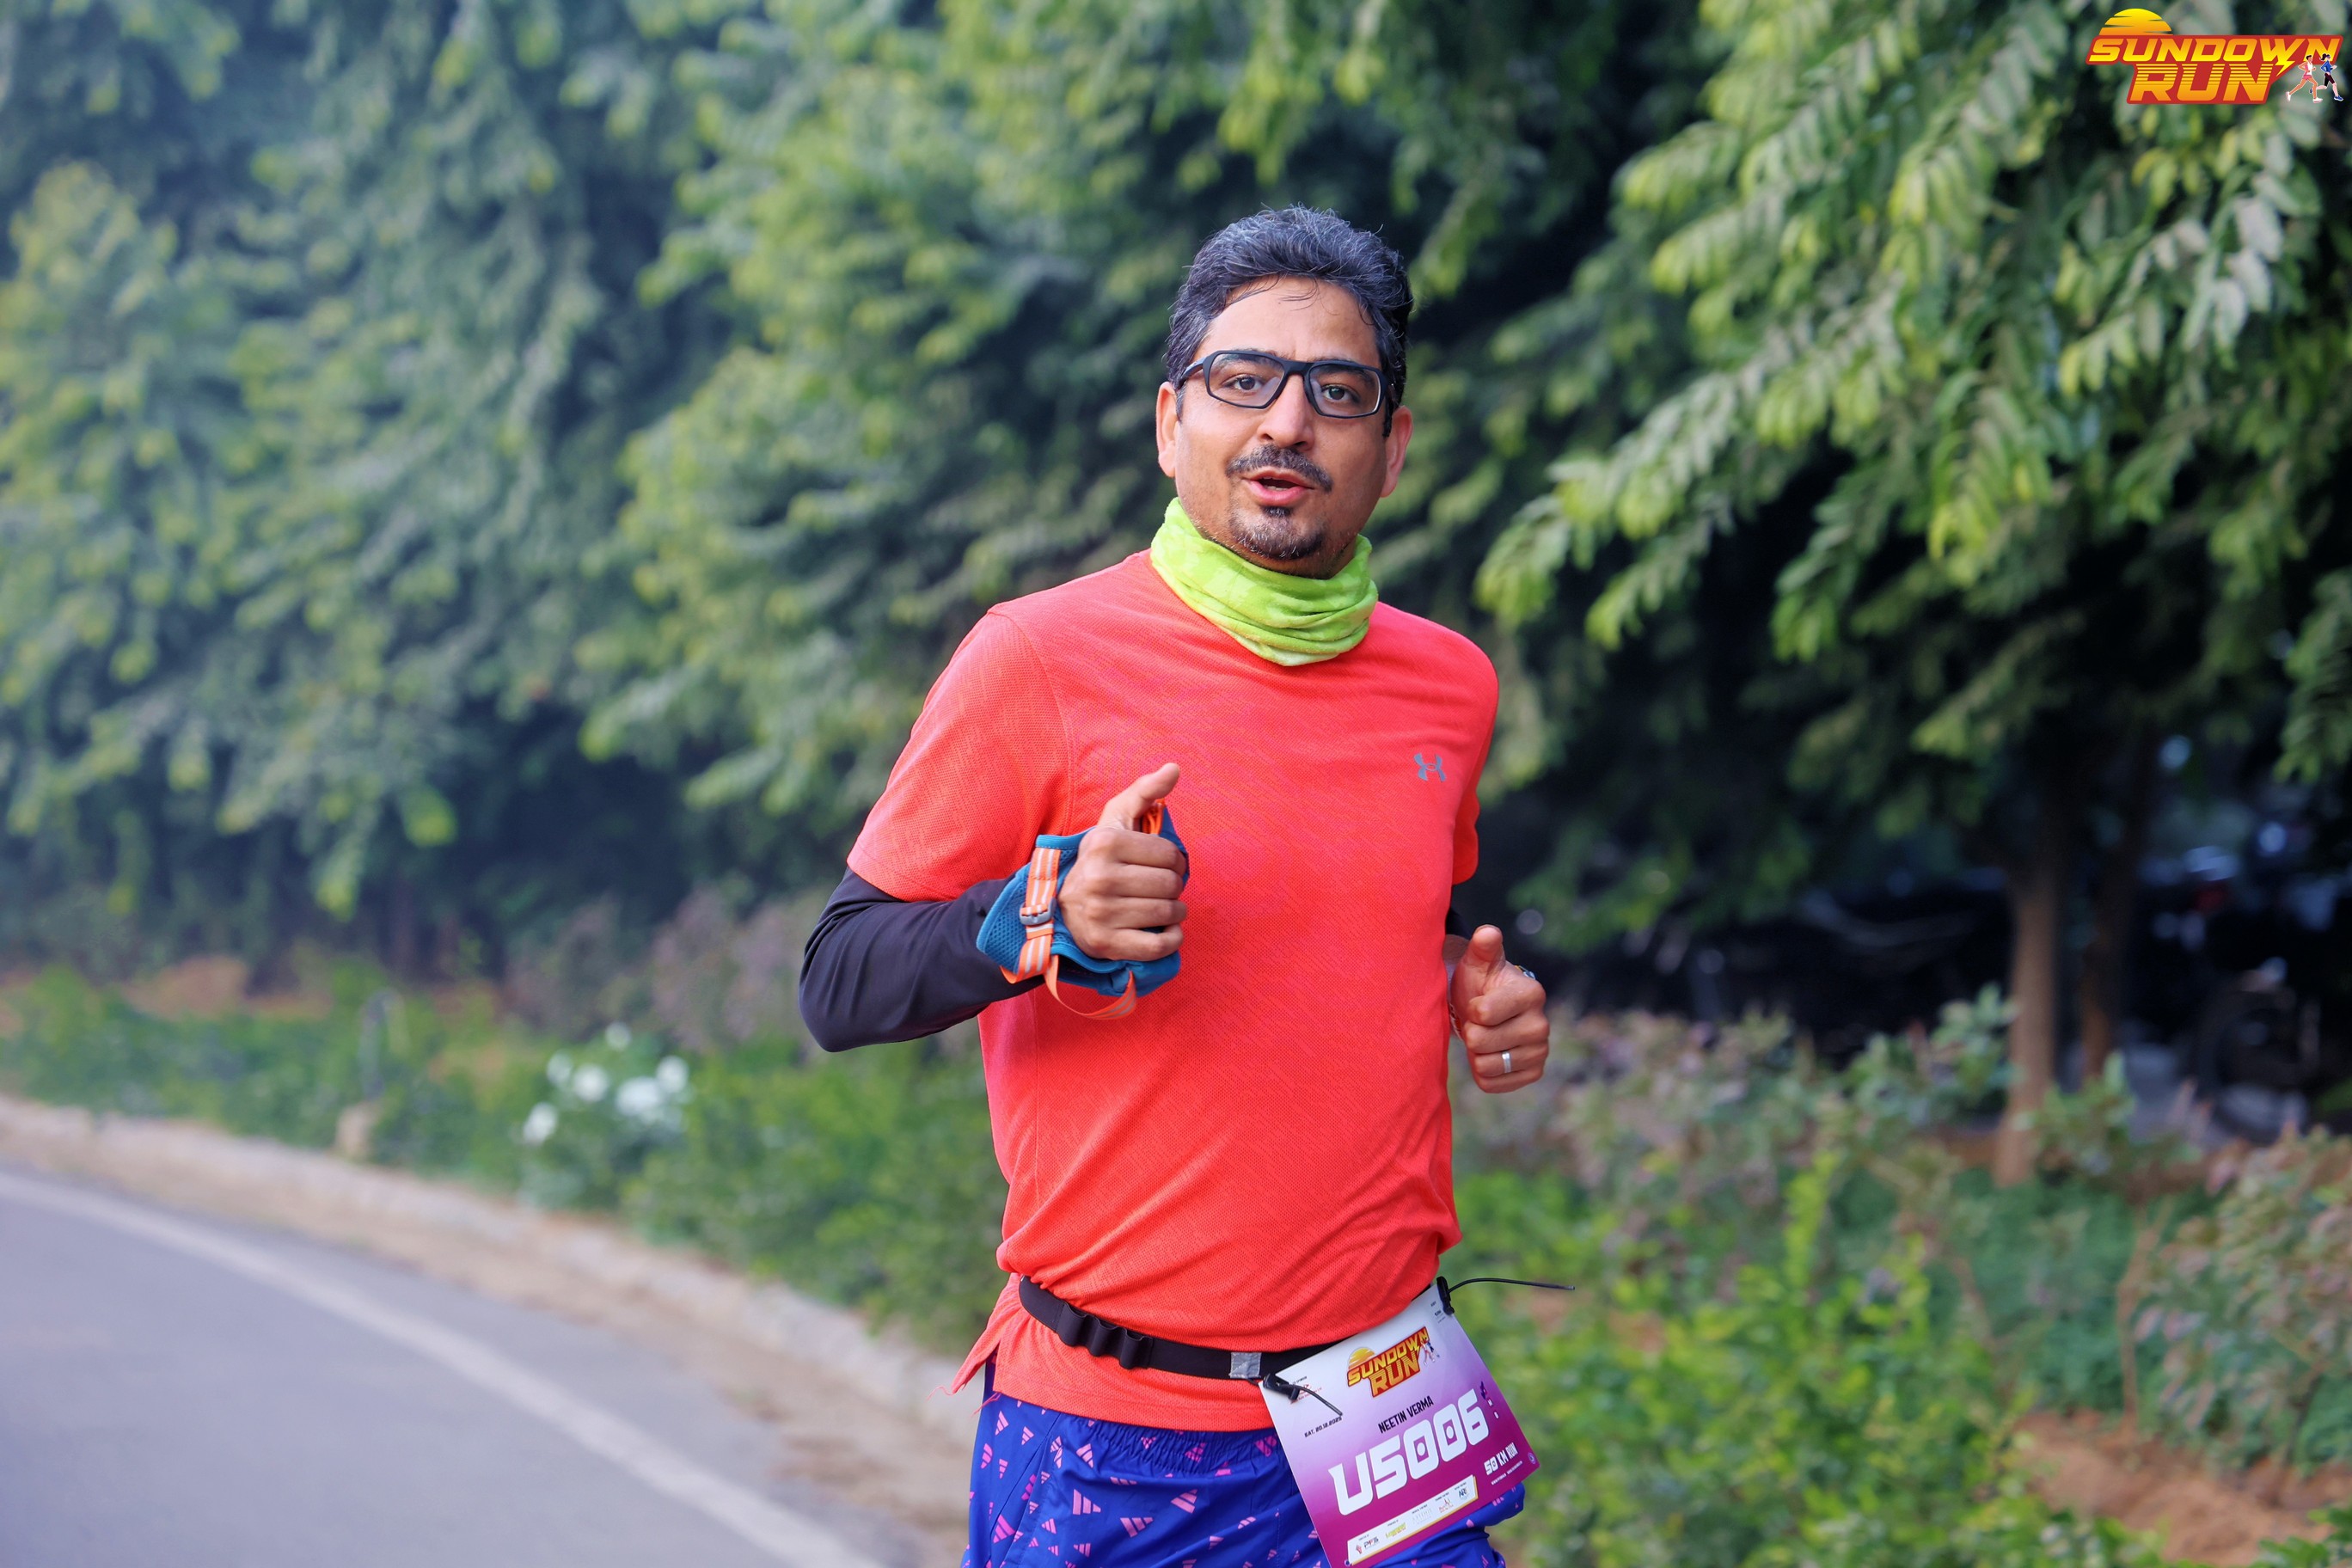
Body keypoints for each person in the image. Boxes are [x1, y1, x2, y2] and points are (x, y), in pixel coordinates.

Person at [799, 206, 1554, 1568]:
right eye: (1243, 381)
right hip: (1116, 1432)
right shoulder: (1037, 659)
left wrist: (1473, 995)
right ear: (1171, 423)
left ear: (1393, 448)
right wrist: (1040, 916)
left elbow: (1392, 928)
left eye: (1337, 393)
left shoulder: (1449, 685)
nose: (1287, 423)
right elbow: (838, 981)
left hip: (1387, 1402)